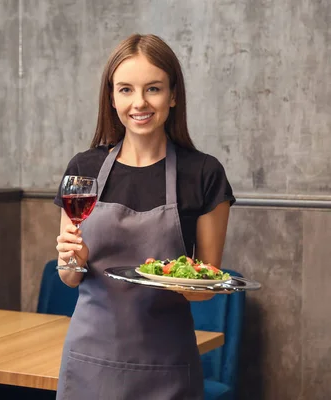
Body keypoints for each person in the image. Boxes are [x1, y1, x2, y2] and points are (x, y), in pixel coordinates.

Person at [53, 33, 235, 399]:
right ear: (112, 96)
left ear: (173, 95)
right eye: (125, 90)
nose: (139, 103)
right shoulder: (83, 170)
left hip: (166, 366)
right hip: (90, 361)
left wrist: (170, 276)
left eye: (152, 89)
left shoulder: (204, 174)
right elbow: (70, 278)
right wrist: (72, 260)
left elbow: (205, 291)